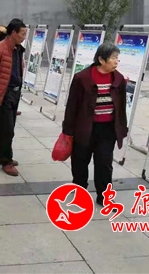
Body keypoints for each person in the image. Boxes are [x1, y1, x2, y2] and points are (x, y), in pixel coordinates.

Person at [62, 42, 128, 206]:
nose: (116, 61)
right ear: (101, 59)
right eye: (113, 58)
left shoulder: (119, 79)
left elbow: (121, 108)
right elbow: (72, 106)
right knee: (80, 162)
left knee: (104, 164)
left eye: (117, 58)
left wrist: (121, 128)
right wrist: (68, 131)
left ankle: (104, 197)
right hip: (84, 128)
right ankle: (80, 192)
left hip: (107, 129)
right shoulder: (82, 78)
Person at [0, 19, 27, 176]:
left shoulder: (18, 49)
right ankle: (7, 161)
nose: (24, 37)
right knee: (7, 129)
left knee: (6, 127)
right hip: (4, 94)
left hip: (15, 93)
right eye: (22, 34)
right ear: (13, 33)